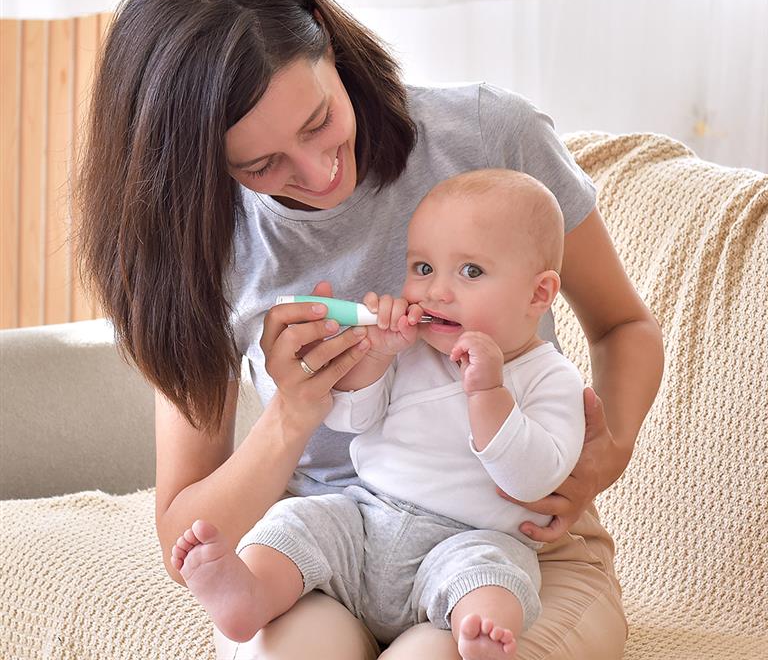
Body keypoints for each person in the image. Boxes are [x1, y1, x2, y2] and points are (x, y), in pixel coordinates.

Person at [76, 0, 664, 660]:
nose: (318, 173)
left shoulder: (487, 136)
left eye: (319, 120)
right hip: (333, 547)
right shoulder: (201, 246)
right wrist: (293, 412)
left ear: (326, 41)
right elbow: (186, 535)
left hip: (507, 553)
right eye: (262, 165)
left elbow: (624, 324)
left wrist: (609, 451)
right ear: (204, 166)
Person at [172, 169, 587, 660]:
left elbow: (533, 480)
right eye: (423, 268)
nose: (435, 292)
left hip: (468, 542)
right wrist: (374, 356)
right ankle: (252, 593)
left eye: (470, 272)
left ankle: (479, 636)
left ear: (538, 294)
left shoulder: (552, 378)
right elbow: (353, 420)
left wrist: (489, 392)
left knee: (498, 579)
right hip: (366, 517)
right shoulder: (412, 352)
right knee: (296, 522)